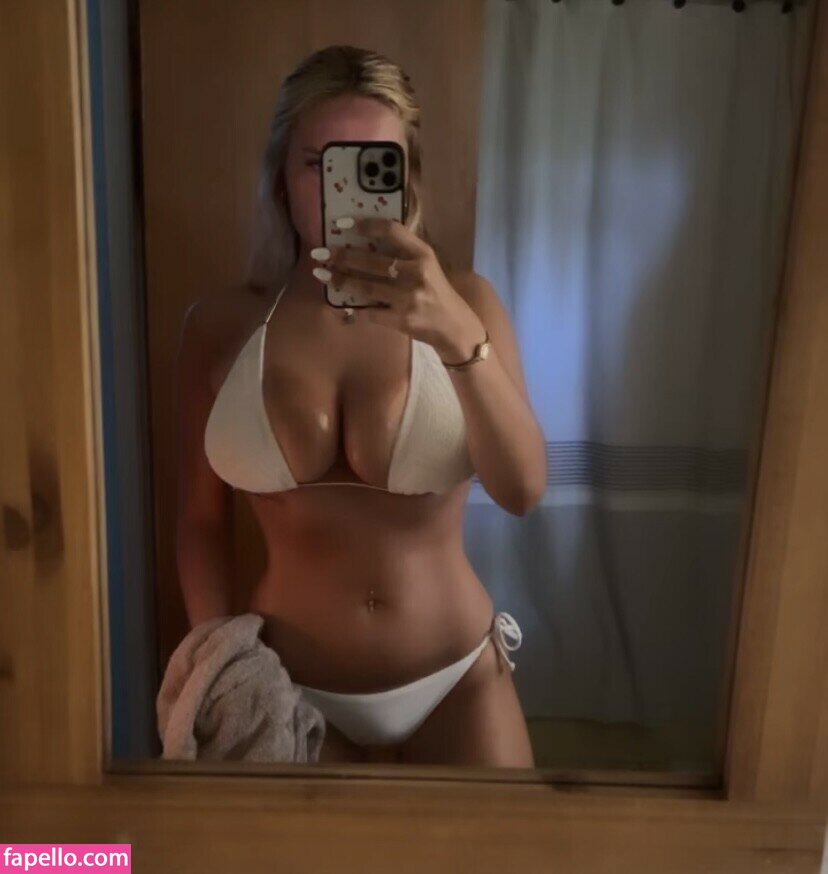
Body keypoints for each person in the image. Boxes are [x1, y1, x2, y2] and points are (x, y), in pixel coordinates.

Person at [174, 45, 546, 767]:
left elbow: (523, 489)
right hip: (287, 686)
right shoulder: (219, 326)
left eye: (373, 164)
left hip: (456, 679)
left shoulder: (468, 304)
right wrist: (221, 664)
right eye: (319, 164)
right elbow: (198, 523)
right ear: (280, 181)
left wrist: (456, 336)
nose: (339, 192)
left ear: (405, 183)